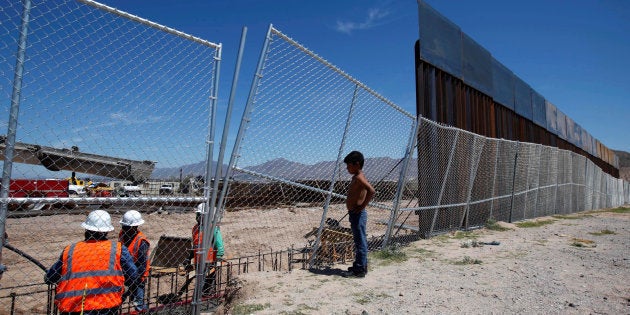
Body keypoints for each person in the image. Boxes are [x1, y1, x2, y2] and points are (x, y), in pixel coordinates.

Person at [45, 210, 138, 315]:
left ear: (86, 229)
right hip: (107, 306)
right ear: (106, 231)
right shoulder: (117, 249)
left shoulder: (70, 250)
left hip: (73, 308)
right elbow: (133, 275)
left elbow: (51, 277)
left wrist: (48, 276)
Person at [341, 151, 375, 278]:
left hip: (358, 215)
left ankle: (359, 270)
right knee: (359, 240)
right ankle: (360, 266)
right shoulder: (357, 176)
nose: (347, 168)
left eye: (349, 165)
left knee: (360, 242)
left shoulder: (359, 177)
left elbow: (371, 191)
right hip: (355, 214)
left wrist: (362, 206)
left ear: (356, 164)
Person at [188, 203, 224, 295]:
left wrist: (219, 256)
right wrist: (189, 257)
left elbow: (219, 243)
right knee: (200, 280)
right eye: (198, 215)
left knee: (209, 281)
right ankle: (201, 297)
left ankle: (208, 297)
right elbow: (195, 245)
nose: (198, 217)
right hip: (198, 260)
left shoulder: (212, 228)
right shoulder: (195, 228)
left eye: (200, 215)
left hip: (209, 260)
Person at [119, 210, 150, 311]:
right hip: (125, 270)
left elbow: (142, 263)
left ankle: (140, 309)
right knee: (122, 296)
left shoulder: (141, 241)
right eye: (123, 226)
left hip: (138, 273)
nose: (123, 228)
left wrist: (135, 279)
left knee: (138, 298)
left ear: (134, 227)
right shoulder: (122, 234)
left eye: (126, 227)